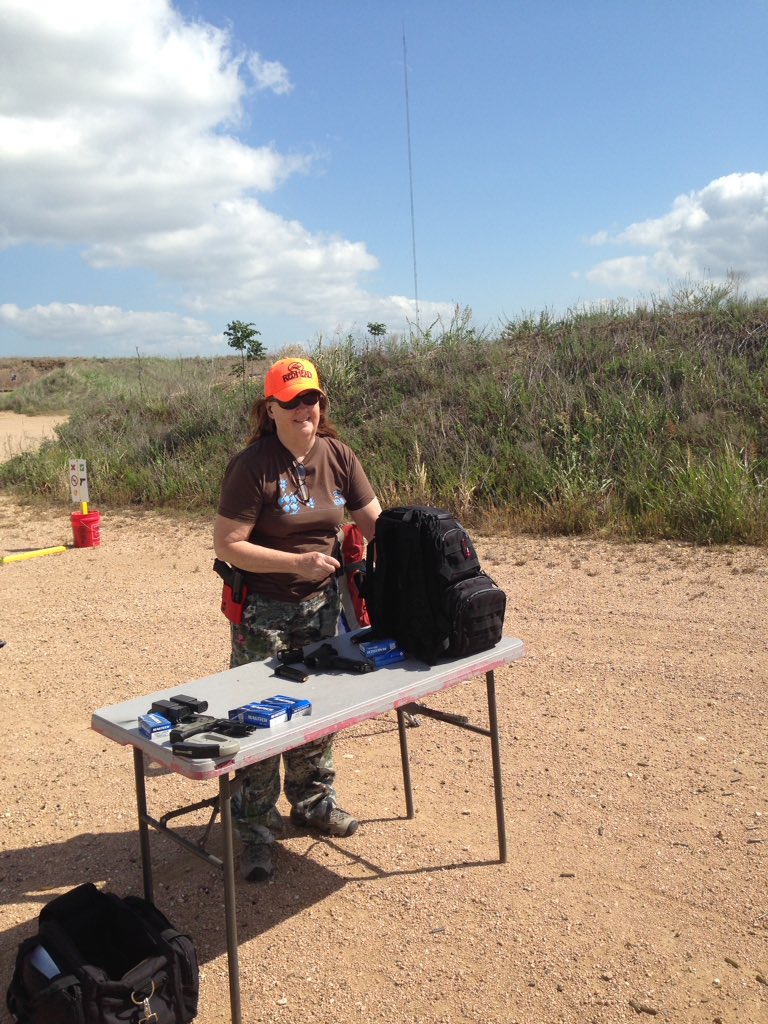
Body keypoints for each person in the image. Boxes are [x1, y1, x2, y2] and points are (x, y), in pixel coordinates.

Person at [213, 357, 382, 881]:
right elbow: (229, 546)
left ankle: (312, 803)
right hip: (264, 610)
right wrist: (296, 563)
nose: (303, 408)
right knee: (260, 718)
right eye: (291, 401)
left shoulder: (338, 455)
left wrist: (417, 549)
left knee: (318, 711)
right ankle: (255, 829)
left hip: (323, 605)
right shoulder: (252, 466)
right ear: (271, 408)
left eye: (311, 398)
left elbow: (375, 522)